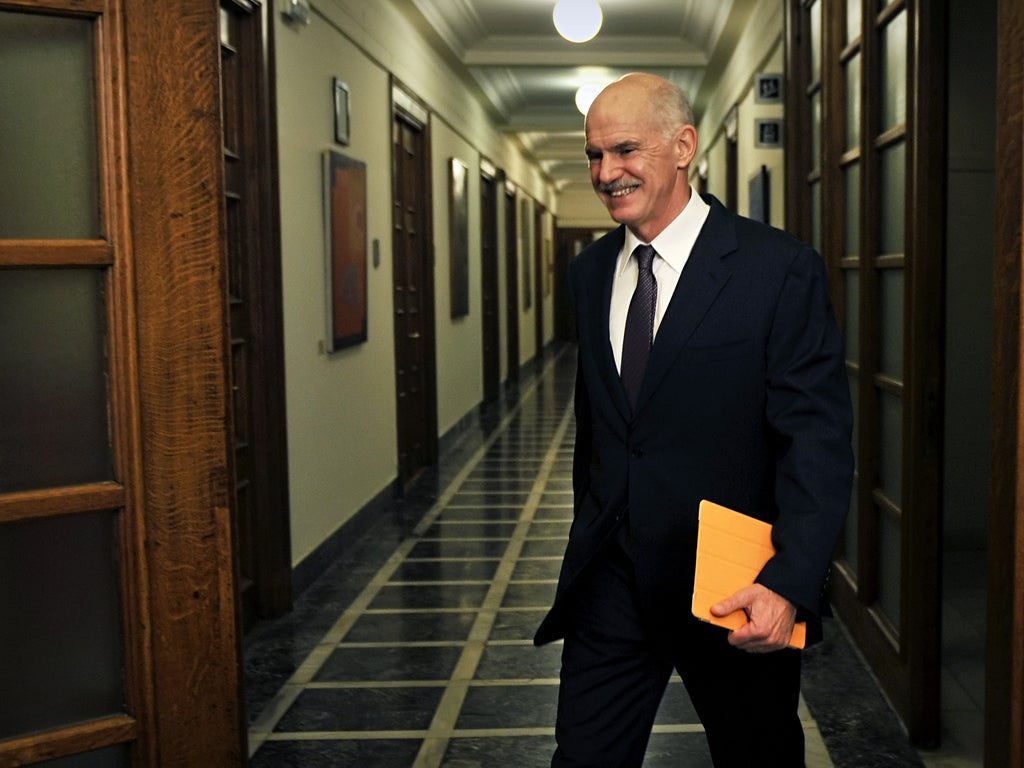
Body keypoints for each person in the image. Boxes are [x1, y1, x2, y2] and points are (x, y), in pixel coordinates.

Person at [534, 72, 854, 767]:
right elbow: (605, 428)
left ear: (684, 146)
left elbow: (816, 443)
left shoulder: (777, 269)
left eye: (624, 151)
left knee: (757, 756)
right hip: (612, 581)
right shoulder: (590, 274)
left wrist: (790, 584)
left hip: (733, 585)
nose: (605, 173)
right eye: (593, 156)